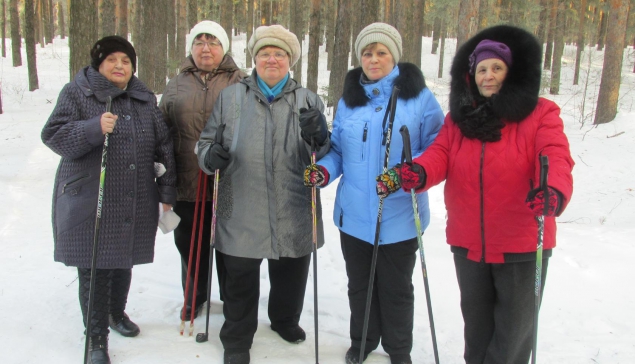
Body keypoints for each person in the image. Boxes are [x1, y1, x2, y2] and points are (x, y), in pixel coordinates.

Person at [381, 25, 575, 364]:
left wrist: (552, 189)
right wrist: (419, 171)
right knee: (477, 331)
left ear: (510, 73)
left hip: (522, 245)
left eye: (497, 68)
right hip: (469, 244)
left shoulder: (540, 113)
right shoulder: (459, 121)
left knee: (512, 338)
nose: (488, 76)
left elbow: (555, 154)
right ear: (471, 75)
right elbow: (439, 154)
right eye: (481, 69)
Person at [304, 23, 444, 364]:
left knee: (396, 289)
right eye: (367, 52)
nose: (374, 58)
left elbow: (439, 147)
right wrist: (324, 170)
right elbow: (338, 149)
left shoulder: (419, 98)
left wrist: (409, 174)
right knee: (359, 285)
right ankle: (363, 340)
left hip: (400, 214)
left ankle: (399, 350)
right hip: (353, 215)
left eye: (381, 52)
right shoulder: (349, 101)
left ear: (394, 56)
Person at [197, 24, 330, 364]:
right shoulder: (231, 97)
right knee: (240, 275)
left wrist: (320, 137)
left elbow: (324, 152)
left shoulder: (308, 99)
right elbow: (206, 141)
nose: (272, 59)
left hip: (294, 200)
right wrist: (209, 155)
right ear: (254, 59)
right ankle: (237, 340)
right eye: (264, 53)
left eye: (279, 54)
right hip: (242, 199)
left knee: (292, 269)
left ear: (290, 61)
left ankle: (285, 320)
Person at [42, 36, 176, 364]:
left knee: (123, 260)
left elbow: (165, 148)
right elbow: (53, 135)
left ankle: (116, 314)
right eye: (112, 60)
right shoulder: (78, 93)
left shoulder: (145, 99)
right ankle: (95, 340)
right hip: (91, 198)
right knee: (95, 266)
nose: (120, 66)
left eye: (126, 61)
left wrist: (168, 195)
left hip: (134, 197)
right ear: (99, 64)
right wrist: (93, 128)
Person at [160, 20, 245, 320]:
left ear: (224, 48)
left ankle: (231, 298)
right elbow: (163, 131)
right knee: (189, 244)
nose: (205, 48)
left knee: (229, 246)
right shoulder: (176, 84)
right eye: (199, 42)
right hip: (188, 181)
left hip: (230, 181)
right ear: (191, 48)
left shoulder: (241, 81)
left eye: (213, 42)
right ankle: (194, 296)